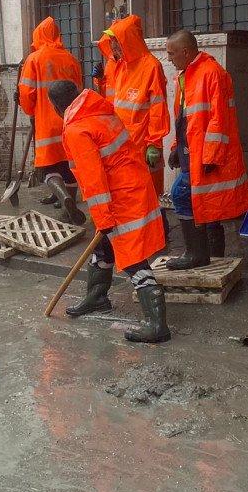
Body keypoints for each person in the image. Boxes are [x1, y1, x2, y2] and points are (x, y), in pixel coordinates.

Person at [48, 80, 170, 343]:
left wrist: (102, 218)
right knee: (103, 247)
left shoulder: (77, 129)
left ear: (57, 106)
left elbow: (94, 180)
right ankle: (97, 297)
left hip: (121, 197)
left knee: (131, 256)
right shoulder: (97, 112)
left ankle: (157, 323)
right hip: (132, 186)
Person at [163, 30, 248, 269]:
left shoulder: (210, 73)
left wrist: (210, 155)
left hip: (203, 153)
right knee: (207, 205)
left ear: (186, 51)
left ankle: (196, 254)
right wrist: (175, 147)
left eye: (171, 54)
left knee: (182, 195)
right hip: (194, 150)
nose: (168, 59)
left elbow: (218, 119)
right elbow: (184, 119)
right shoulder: (188, 74)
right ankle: (213, 257)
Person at [19, 17, 84, 223]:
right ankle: (69, 204)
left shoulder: (34, 59)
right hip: (70, 119)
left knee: (49, 167)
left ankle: (63, 196)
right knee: (69, 165)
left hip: (46, 122)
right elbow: (78, 89)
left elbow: (27, 92)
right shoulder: (71, 58)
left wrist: (29, 111)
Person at [97, 15, 170, 197]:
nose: (113, 45)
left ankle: (160, 225)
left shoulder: (151, 66)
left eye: (116, 40)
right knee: (130, 193)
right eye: (111, 40)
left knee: (148, 194)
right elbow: (113, 101)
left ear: (128, 39)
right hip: (123, 141)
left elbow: (157, 110)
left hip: (142, 144)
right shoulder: (122, 66)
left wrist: (154, 144)